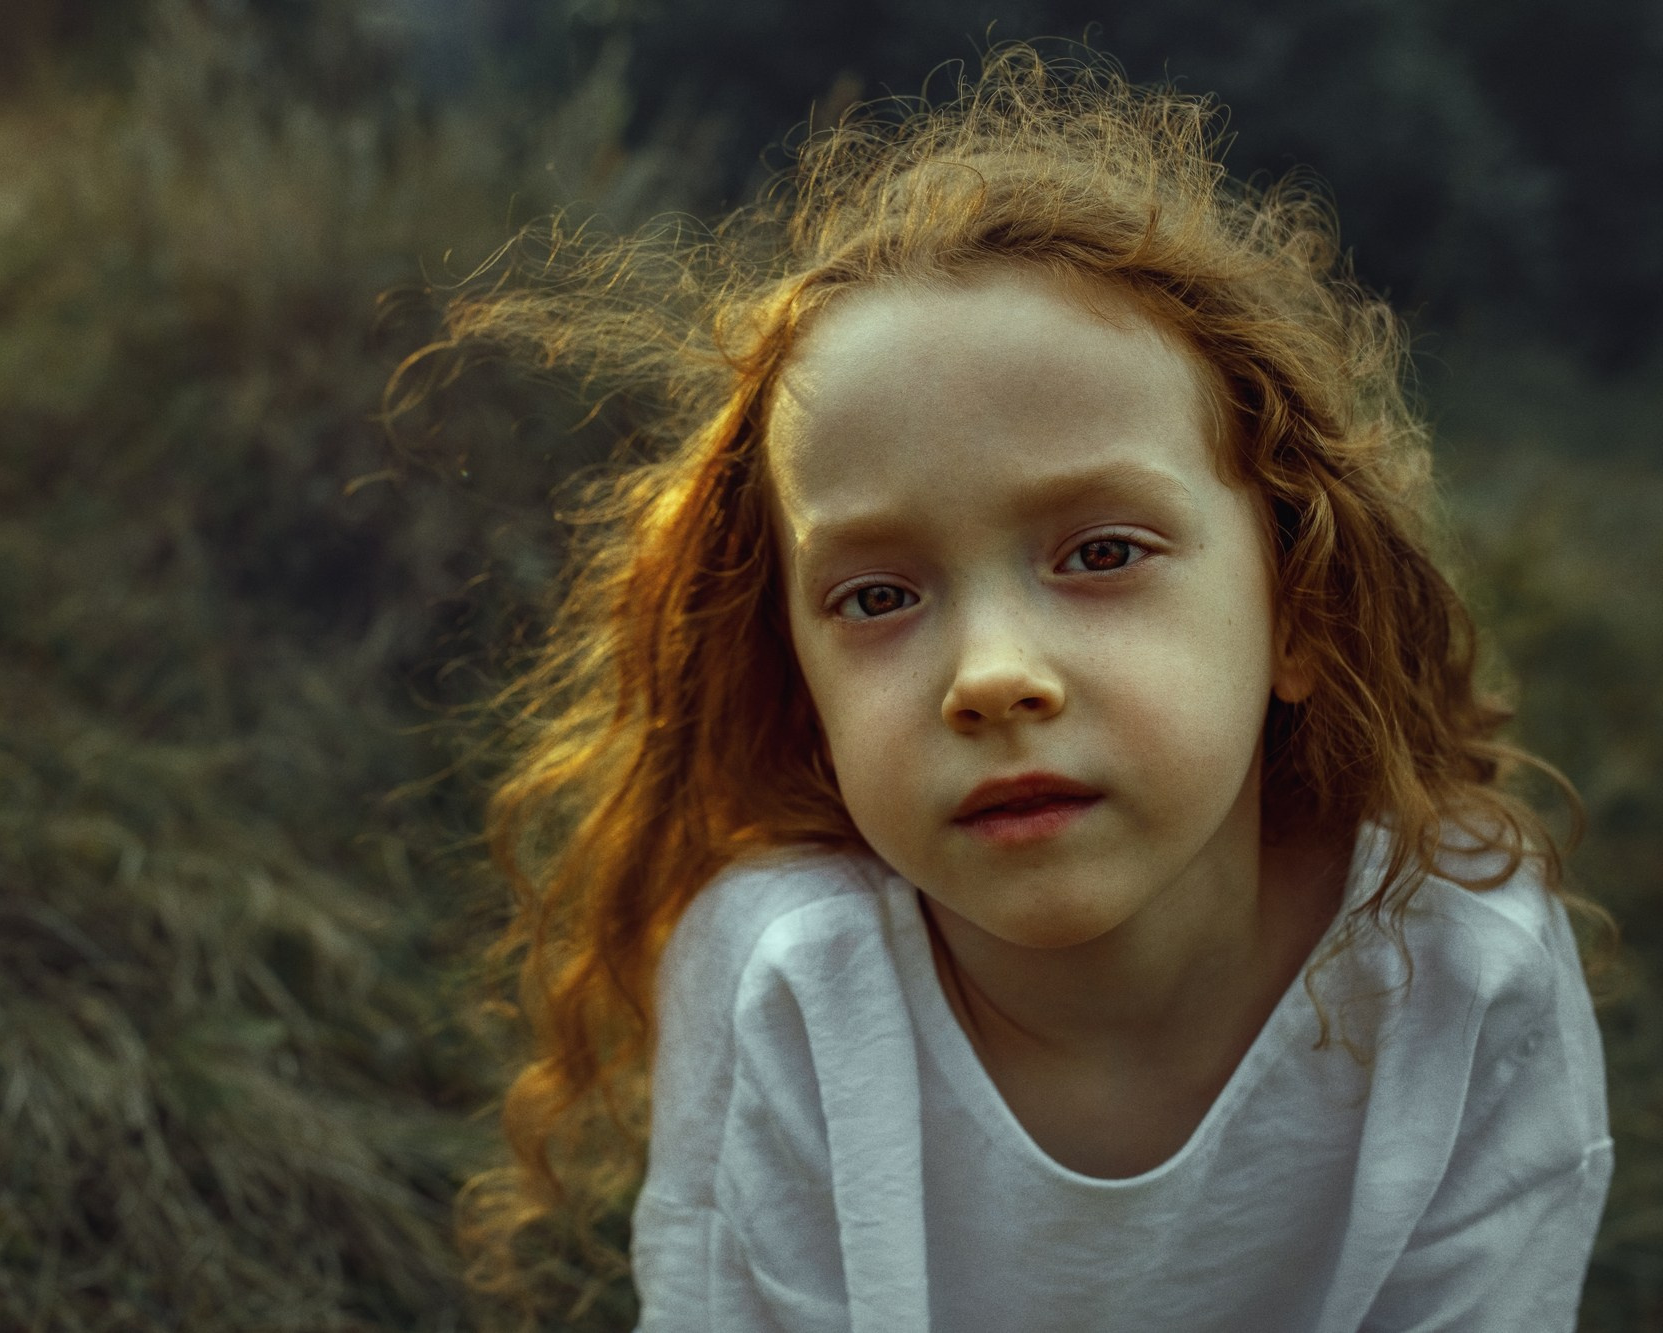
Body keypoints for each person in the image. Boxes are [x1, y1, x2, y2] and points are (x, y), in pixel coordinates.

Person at [432, 44, 1615, 1331]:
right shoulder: (788, 980)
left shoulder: (1461, 965)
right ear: (802, 685)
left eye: (1100, 554)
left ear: (1298, 612)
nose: (991, 678)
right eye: (877, 598)